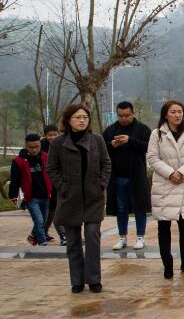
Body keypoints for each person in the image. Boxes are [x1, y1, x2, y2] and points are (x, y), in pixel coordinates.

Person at [47, 104, 111, 293]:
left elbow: (106, 163)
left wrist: (101, 183)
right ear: (68, 120)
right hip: (69, 198)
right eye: (78, 117)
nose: (82, 120)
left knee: (92, 236)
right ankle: (77, 280)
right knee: (73, 241)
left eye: (85, 117)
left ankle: (94, 279)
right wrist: (62, 186)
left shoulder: (97, 140)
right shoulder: (58, 143)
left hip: (93, 196)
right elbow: (52, 168)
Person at [147, 100, 184, 279]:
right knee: (164, 228)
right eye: (173, 112)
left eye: (180, 111)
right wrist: (171, 173)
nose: (177, 115)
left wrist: (181, 172)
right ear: (165, 114)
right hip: (165, 186)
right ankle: (167, 265)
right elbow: (153, 158)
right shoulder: (157, 134)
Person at [103, 101, 152, 251]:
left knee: (139, 207)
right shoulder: (110, 130)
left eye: (127, 115)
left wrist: (130, 141)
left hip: (136, 175)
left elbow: (149, 147)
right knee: (121, 208)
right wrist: (112, 145)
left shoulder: (143, 129)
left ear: (133, 113)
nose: (123, 118)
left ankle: (140, 237)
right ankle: (122, 237)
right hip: (118, 176)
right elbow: (102, 149)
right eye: (120, 116)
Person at [8, 134, 52, 247]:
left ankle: (32, 236)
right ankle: (43, 244)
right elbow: (14, 179)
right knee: (39, 221)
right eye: (31, 147)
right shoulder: (18, 161)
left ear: (40, 145)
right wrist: (13, 195)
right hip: (31, 198)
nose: (34, 150)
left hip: (46, 195)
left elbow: (53, 174)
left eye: (37, 146)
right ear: (26, 146)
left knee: (44, 221)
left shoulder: (46, 157)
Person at [41, 124, 64, 245]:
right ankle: (59, 234)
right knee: (51, 209)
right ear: (45, 135)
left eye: (55, 134)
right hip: (44, 182)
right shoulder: (40, 146)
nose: (52, 137)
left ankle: (61, 234)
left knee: (54, 208)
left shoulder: (62, 144)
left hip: (58, 180)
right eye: (49, 135)